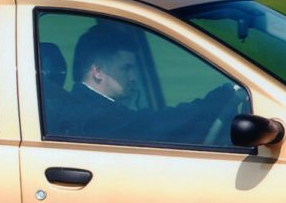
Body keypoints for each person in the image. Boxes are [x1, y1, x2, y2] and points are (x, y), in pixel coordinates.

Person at [57, 21, 243, 145]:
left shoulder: (87, 106)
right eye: (126, 68)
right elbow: (155, 124)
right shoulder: (94, 116)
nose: (133, 77)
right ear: (97, 71)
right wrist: (217, 100)